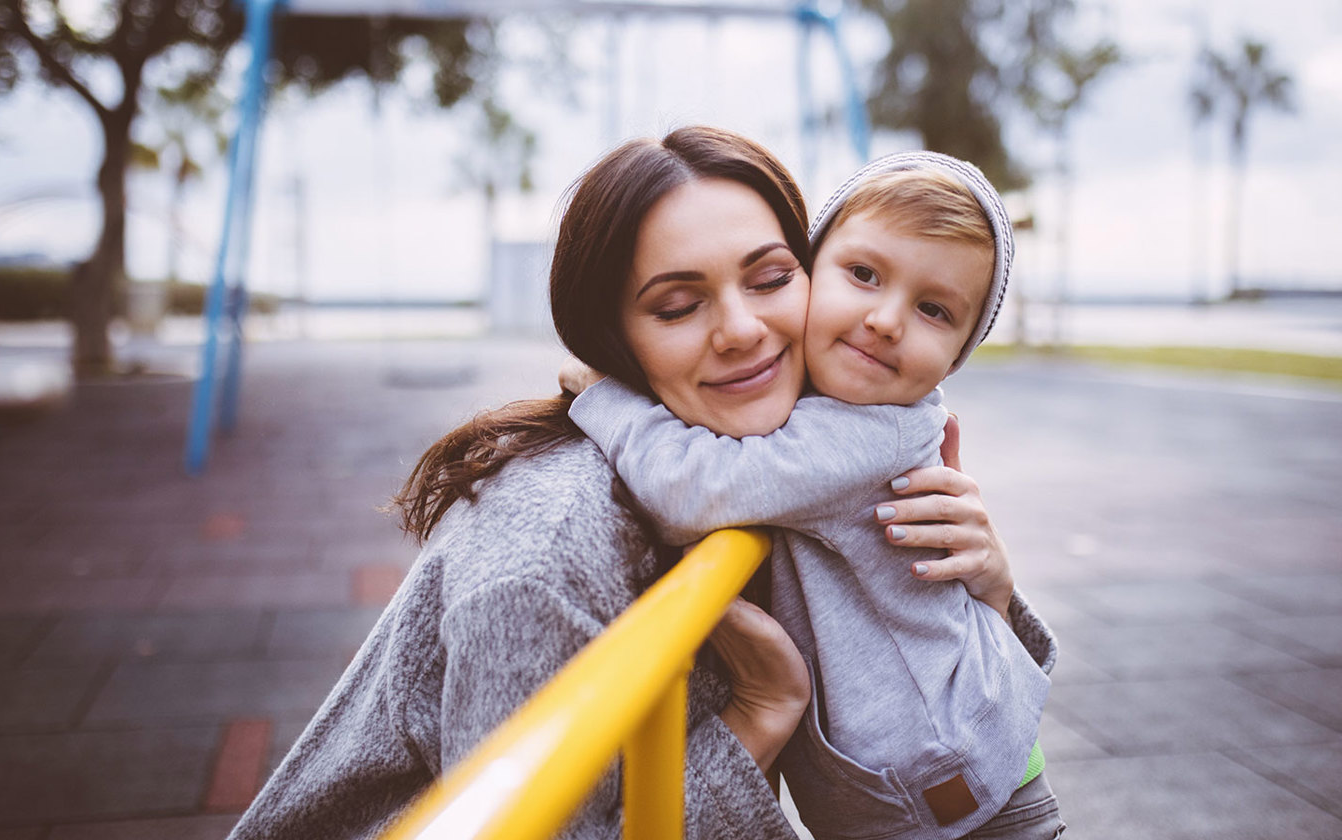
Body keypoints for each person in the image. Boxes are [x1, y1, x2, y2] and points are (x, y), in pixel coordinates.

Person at [226, 127, 1049, 840]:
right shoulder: (545, 557)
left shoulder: (799, 439)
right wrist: (757, 716)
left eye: (770, 278)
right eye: (677, 305)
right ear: (607, 333)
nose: (742, 330)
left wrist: (989, 585)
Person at [563, 151, 1062, 839]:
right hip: (961, 753)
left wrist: (606, 398)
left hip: (957, 796)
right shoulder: (835, 407)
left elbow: (695, 489)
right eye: (863, 275)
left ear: (955, 358)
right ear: (812, 268)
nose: (886, 320)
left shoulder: (866, 432)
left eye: (933, 310)